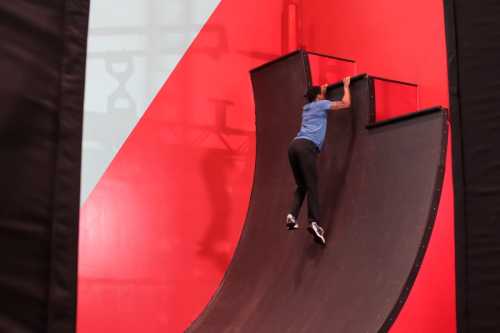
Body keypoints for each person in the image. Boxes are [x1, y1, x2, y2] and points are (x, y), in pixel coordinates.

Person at [286, 76, 351, 245]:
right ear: (319, 97)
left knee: (301, 186)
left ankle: (292, 216)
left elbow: (317, 97)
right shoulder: (321, 104)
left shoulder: (306, 108)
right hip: (307, 147)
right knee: (312, 185)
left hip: (293, 147)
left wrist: (321, 91)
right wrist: (346, 86)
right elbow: (345, 103)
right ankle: (313, 222)